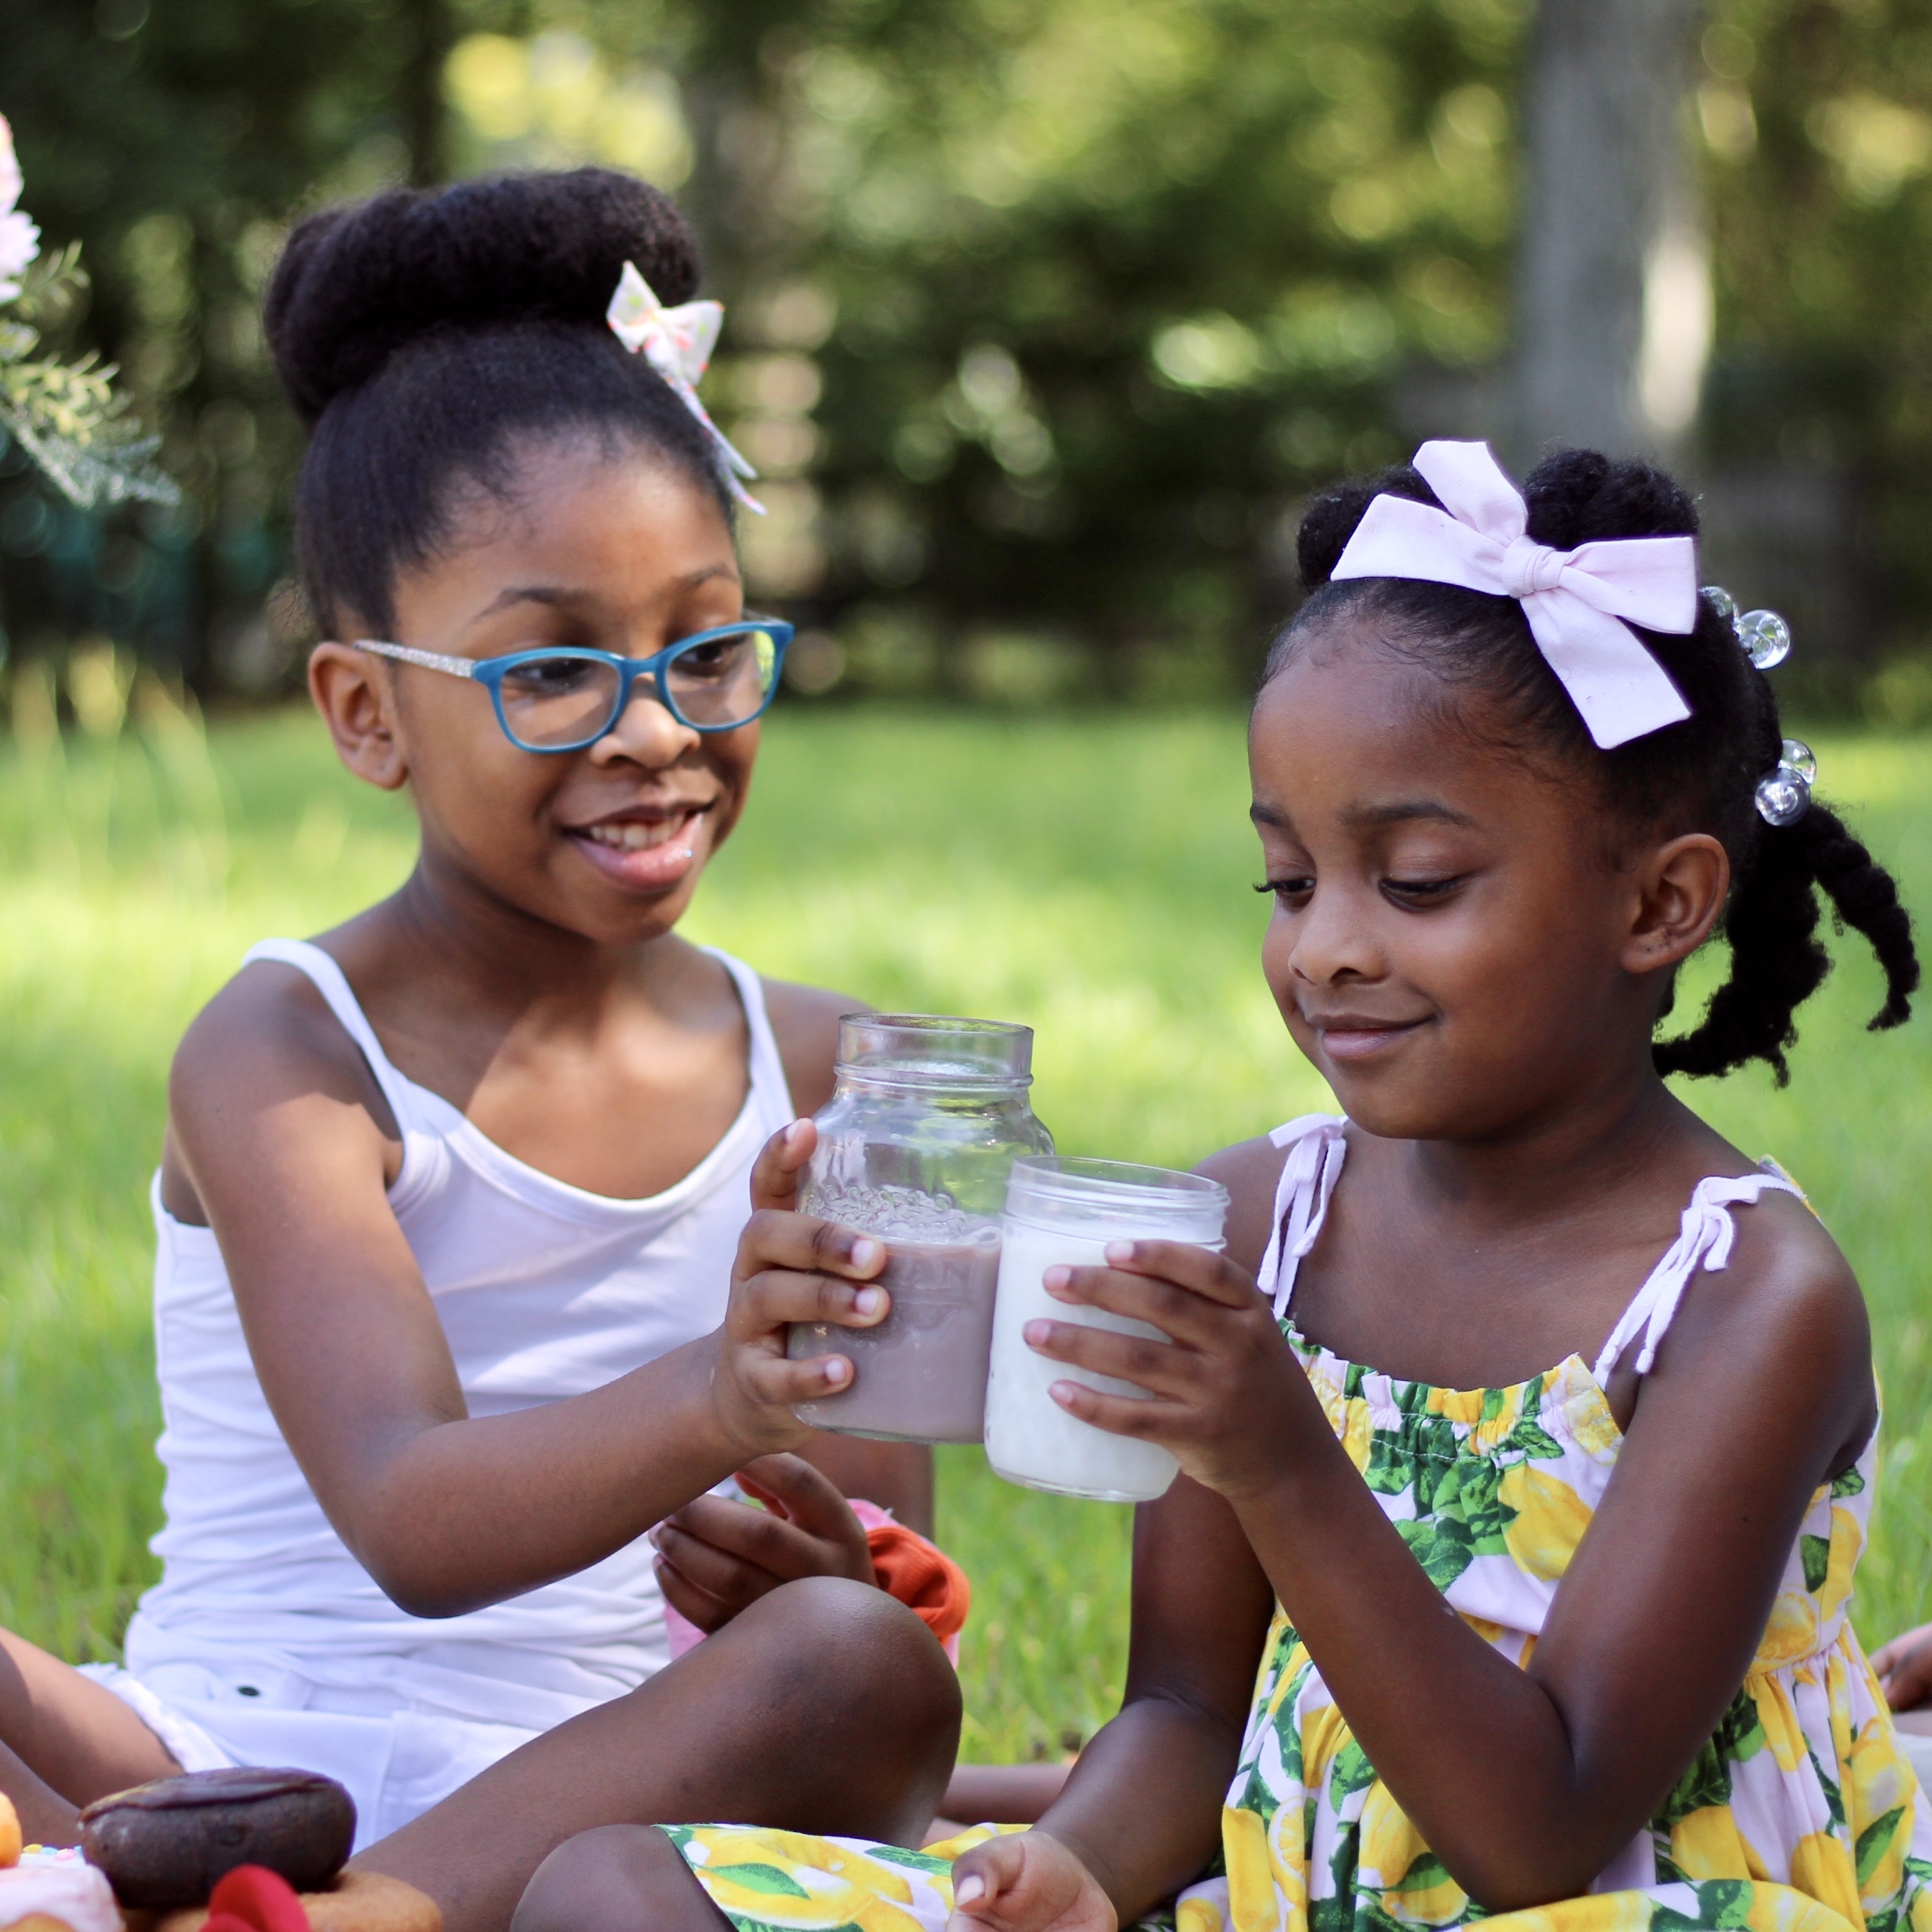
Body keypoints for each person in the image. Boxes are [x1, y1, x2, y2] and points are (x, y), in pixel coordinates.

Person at [518, 441, 1929, 1932]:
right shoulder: (1258, 1221)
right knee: (613, 1890)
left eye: (1420, 882)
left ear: (1660, 903)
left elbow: (1545, 1835)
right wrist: (1084, 1871)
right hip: (1271, 1898)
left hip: (1612, 1906)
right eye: (1290, 880)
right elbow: (1189, 1709)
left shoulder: (1745, 1299)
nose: (1325, 947)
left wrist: (1280, 1456)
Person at [0, 167, 988, 1932]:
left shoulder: (848, 1070)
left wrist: (815, 1554)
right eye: (552, 675)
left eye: (706, 649)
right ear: (367, 713)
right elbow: (408, 1515)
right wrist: (721, 1392)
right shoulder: (287, 1049)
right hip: (190, 1761)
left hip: (596, 1780)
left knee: (856, 1668)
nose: (655, 731)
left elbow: (875, 1563)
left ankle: (328, 1917)